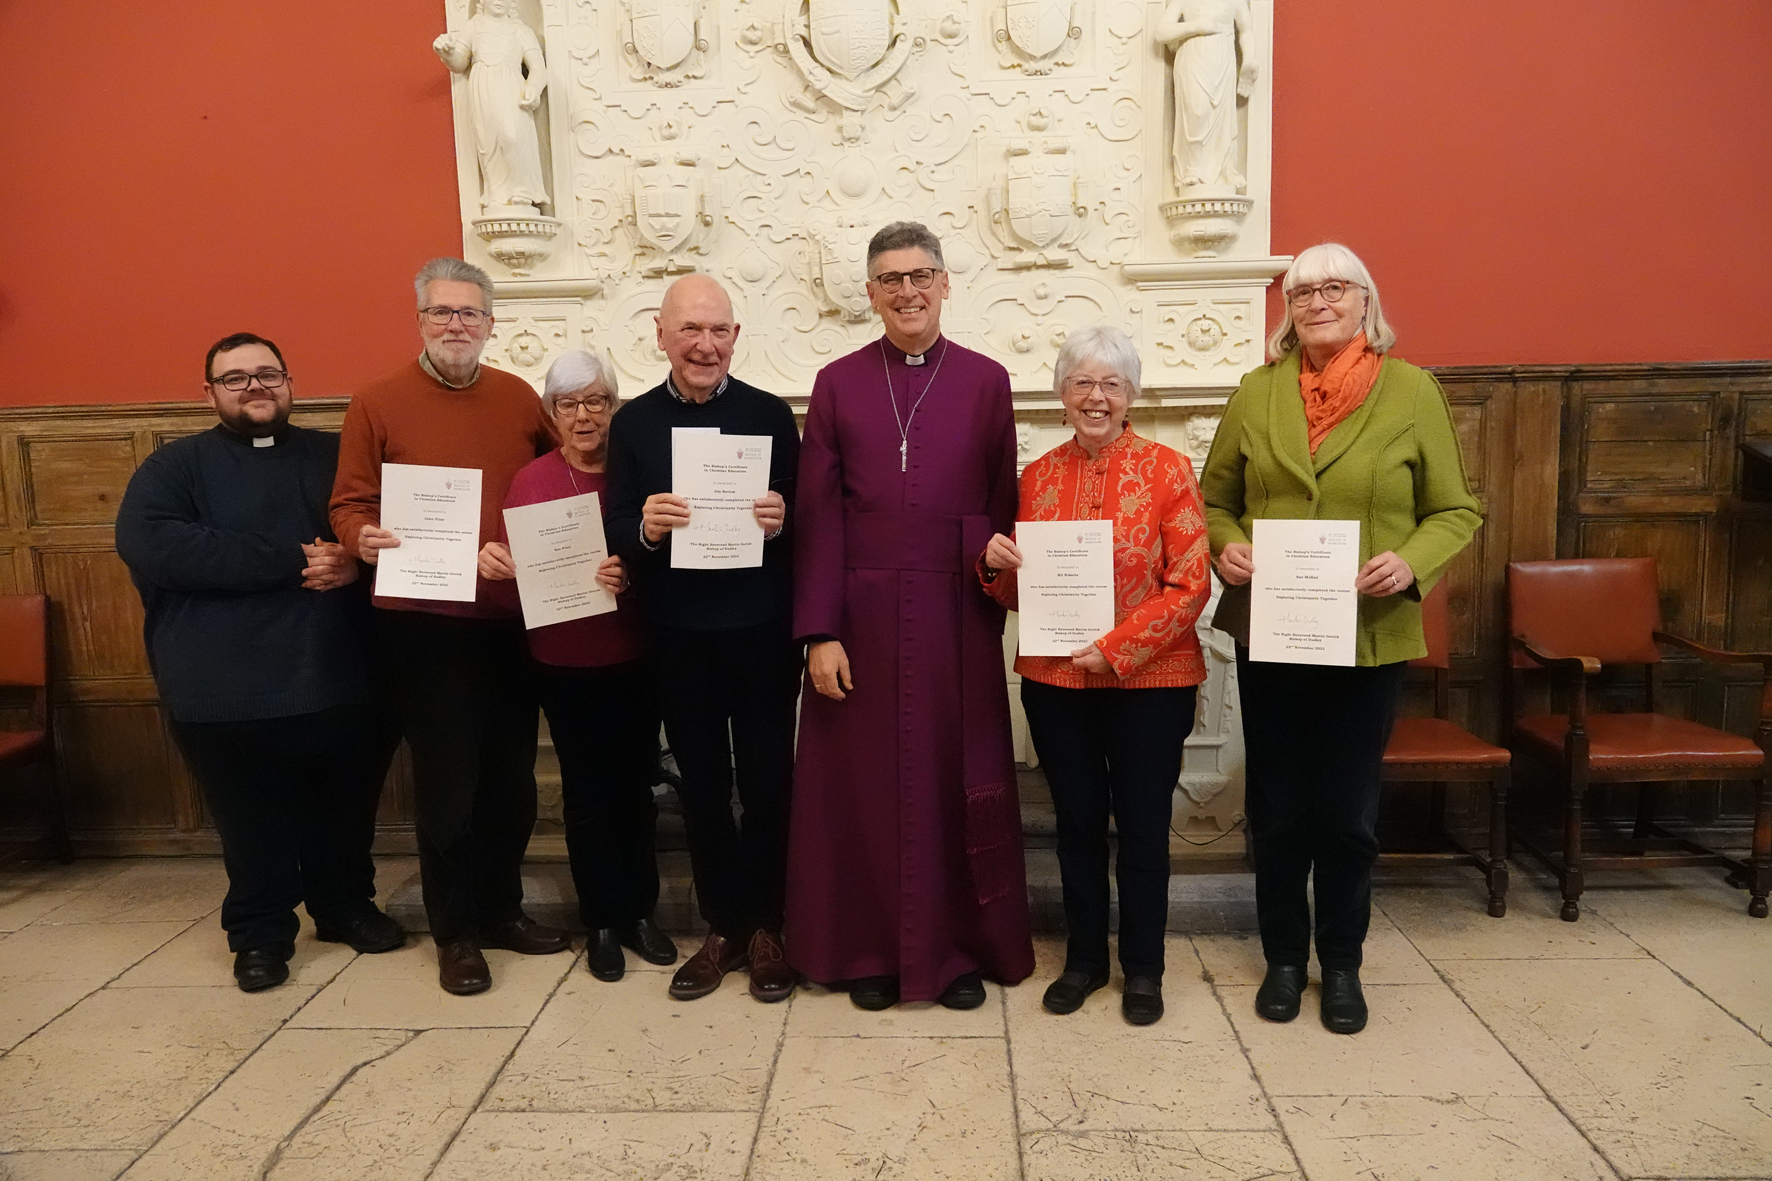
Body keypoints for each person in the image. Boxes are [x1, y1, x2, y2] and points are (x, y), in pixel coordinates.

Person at [1200, 242, 1482, 1034]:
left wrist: (1410, 562)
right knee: (1280, 806)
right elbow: (1211, 499)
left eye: (1334, 288)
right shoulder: (1256, 393)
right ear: (1287, 309)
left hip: (1367, 639)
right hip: (1273, 632)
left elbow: (1456, 509)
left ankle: (1344, 962)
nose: (1317, 301)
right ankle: (1285, 959)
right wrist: (1224, 545)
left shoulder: (1413, 391)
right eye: (1302, 291)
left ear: (1365, 300)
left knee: (1349, 813)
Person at [786, 221, 1034, 1010]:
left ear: (946, 282)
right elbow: (818, 516)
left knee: (955, 777)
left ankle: (956, 953)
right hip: (858, 619)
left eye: (921, 274)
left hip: (954, 616)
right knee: (860, 788)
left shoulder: (988, 380)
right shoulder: (836, 382)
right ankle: (867, 951)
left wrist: (986, 572)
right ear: (870, 294)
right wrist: (818, 632)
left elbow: (1001, 504)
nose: (907, 291)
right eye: (890, 279)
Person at [117, 333, 402, 992]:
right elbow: (156, 545)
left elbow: (388, 528)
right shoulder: (174, 467)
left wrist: (354, 555)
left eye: (267, 373)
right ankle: (260, 931)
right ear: (210, 391)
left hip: (341, 677)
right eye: (235, 377)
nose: (254, 386)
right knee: (252, 823)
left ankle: (343, 906)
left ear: (289, 382)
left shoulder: (337, 454)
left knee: (345, 812)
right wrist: (297, 557)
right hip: (225, 690)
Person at [330, 257, 570, 997]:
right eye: (442, 313)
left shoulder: (520, 397)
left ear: (492, 324)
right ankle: (456, 930)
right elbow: (348, 503)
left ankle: (501, 910)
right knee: (449, 786)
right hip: (424, 626)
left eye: (470, 314)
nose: (456, 325)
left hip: (508, 620)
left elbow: (555, 483)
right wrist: (360, 538)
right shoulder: (376, 401)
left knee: (510, 782)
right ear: (420, 321)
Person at [980, 325, 1211, 1026]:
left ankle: (1143, 968)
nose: (1097, 396)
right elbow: (1023, 591)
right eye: (1082, 382)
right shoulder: (1037, 476)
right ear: (1061, 394)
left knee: (1142, 827)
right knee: (1077, 826)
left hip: (1152, 682)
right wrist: (995, 568)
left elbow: (1191, 582)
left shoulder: (1170, 468)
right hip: (1057, 684)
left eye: (1112, 383)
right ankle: (1084, 960)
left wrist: (1119, 648)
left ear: (1132, 394)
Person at [603, 274, 802, 1003]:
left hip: (761, 633)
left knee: (768, 784)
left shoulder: (771, 416)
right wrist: (646, 528)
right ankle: (723, 924)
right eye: (689, 329)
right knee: (704, 790)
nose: (704, 344)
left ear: (736, 339)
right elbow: (618, 524)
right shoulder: (633, 425)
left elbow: (807, 518)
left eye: (718, 330)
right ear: (660, 335)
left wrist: (784, 515)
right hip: (678, 636)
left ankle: (769, 926)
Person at [477, 350, 679, 982]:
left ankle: (640, 913)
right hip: (563, 664)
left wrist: (634, 572)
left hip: (636, 655)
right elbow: (515, 584)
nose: (584, 415)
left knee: (637, 790)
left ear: (615, 407)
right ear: (551, 414)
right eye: (568, 404)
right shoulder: (531, 481)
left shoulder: (637, 474)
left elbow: (674, 566)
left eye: (597, 400)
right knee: (588, 797)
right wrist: (499, 568)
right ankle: (600, 920)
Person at [433, 0, 549, 214]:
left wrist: (533, 87)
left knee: (512, 135)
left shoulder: (520, 30)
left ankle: (522, 191)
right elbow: (459, 63)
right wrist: (447, 53)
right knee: (488, 140)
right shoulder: (474, 27)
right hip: (482, 88)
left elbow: (538, 68)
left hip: (512, 88)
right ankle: (497, 194)